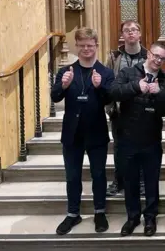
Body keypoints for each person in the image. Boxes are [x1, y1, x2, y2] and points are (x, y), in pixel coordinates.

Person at [51, 27, 115, 235]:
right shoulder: (66, 71)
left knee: (98, 175)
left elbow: (111, 99)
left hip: (96, 132)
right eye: (82, 45)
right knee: (72, 176)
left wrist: (100, 87)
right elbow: (55, 97)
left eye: (90, 45)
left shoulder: (105, 72)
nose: (86, 48)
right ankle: (72, 214)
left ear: (96, 46)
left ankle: (99, 212)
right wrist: (64, 85)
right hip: (72, 133)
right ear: (77, 47)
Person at [109, 42, 165, 237]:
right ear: (148, 53)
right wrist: (137, 86)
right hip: (127, 137)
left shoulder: (164, 80)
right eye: (155, 55)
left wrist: (158, 94)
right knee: (130, 181)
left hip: (151, 138)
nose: (158, 60)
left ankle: (150, 218)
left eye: (162, 58)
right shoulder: (128, 72)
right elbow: (113, 92)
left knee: (152, 182)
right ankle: (133, 217)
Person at [105, 20, 148, 197]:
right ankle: (119, 180)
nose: (130, 33)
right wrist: (109, 107)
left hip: (142, 112)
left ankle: (141, 180)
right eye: (126, 31)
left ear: (139, 33)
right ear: (122, 35)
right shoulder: (114, 57)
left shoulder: (149, 55)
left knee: (143, 147)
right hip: (120, 111)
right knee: (119, 147)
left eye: (134, 30)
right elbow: (108, 84)